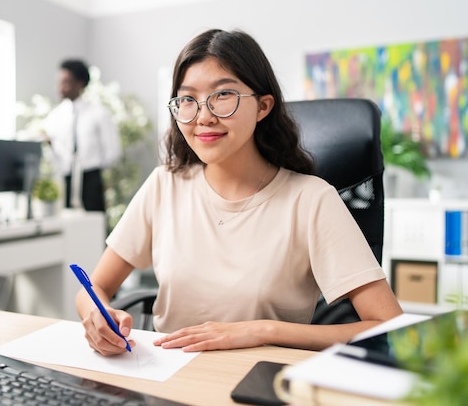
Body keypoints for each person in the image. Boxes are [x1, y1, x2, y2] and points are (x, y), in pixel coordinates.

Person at [75, 28, 403, 356]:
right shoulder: (164, 184)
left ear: (263, 106)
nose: (203, 117)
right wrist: (98, 317)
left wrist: (262, 331)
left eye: (223, 95)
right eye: (188, 99)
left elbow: (388, 325)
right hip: (166, 375)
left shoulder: (311, 200)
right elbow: (94, 288)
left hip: (259, 380)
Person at [44, 59, 121, 212]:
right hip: (65, 180)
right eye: (59, 82)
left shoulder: (99, 114)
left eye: (66, 82)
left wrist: (93, 169)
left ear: (80, 84)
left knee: (93, 227)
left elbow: (113, 151)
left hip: (91, 180)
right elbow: (53, 156)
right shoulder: (54, 118)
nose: (60, 87)